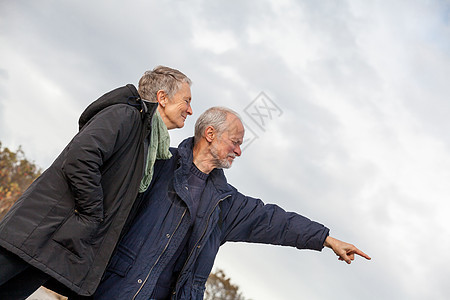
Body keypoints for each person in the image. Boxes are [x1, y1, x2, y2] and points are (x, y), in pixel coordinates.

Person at [93, 106, 371, 300]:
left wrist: (325, 239)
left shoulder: (226, 203)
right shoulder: (159, 164)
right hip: (114, 289)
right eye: (235, 142)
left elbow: (274, 221)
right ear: (210, 134)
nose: (239, 150)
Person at [0, 66, 193, 299]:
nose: (190, 110)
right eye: (186, 101)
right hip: (36, 234)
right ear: (162, 97)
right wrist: (92, 215)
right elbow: (80, 158)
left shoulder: (147, 143)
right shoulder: (126, 115)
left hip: (55, 245)